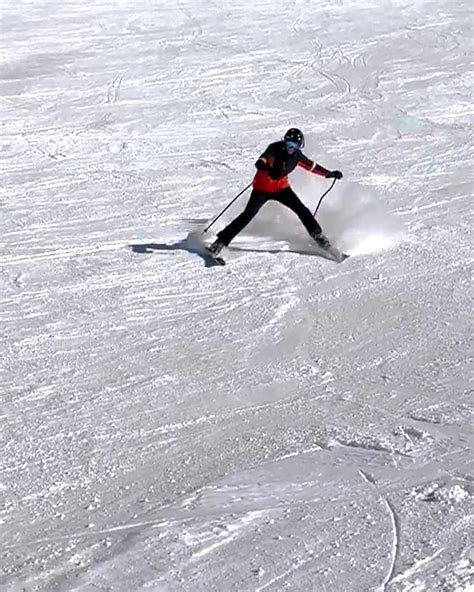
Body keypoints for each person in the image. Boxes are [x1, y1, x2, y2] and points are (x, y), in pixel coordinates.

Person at [208, 128, 343, 257]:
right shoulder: (274, 148)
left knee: (302, 210)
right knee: (247, 215)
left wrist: (328, 174)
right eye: (288, 143)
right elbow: (264, 159)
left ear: (299, 147)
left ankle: (319, 237)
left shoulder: (297, 156)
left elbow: (311, 166)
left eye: (294, 145)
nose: (290, 148)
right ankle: (219, 243)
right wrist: (263, 166)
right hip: (262, 189)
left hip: (281, 189)